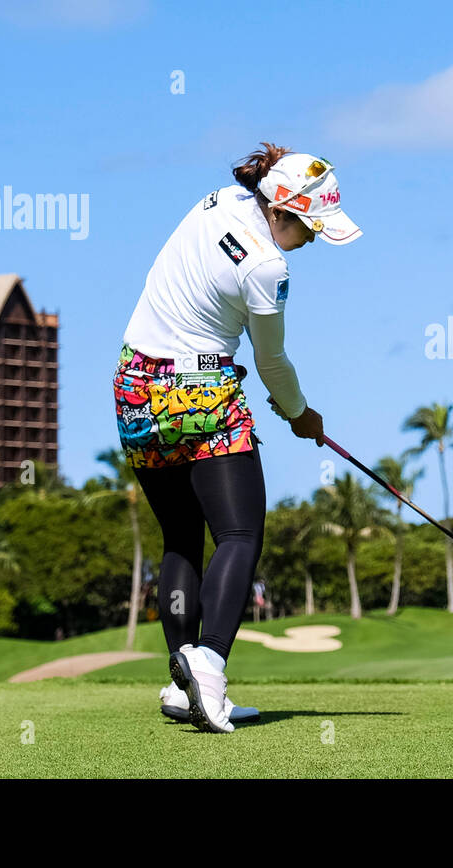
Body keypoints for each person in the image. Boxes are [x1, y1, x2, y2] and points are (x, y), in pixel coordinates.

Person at [113, 142, 361, 732]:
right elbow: (272, 364)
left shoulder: (220, 199)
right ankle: (210, 664)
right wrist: (302, 414)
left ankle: (179, 683)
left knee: (180, 537)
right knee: (240, 533)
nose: (315, 239)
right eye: (311, 227)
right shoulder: (269, 268)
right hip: (198, 391)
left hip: (133, 382)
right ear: (281, 211)